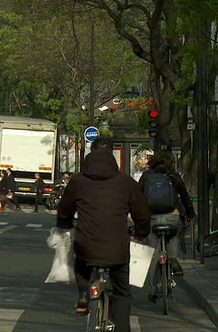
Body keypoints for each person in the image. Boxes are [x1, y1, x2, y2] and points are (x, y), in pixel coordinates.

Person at [57, 137, 150, 332]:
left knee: (81, 261)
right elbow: (141, 214)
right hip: (117, 248)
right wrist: (141, 233)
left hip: (87, 245)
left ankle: (83, 294)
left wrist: (64, 225)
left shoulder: (78, 181)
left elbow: (64, 210)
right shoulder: (126, 182)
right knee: (122, 293)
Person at [138, 152, 195, 280]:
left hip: (152, 218)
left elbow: (137, 197)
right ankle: (173, 259)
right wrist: (190, 214)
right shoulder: (173, 176)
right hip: (172, 216)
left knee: (152, 254)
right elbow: (185, 197)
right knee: (173, 235)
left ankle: (153, 290)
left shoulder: (146, 176)